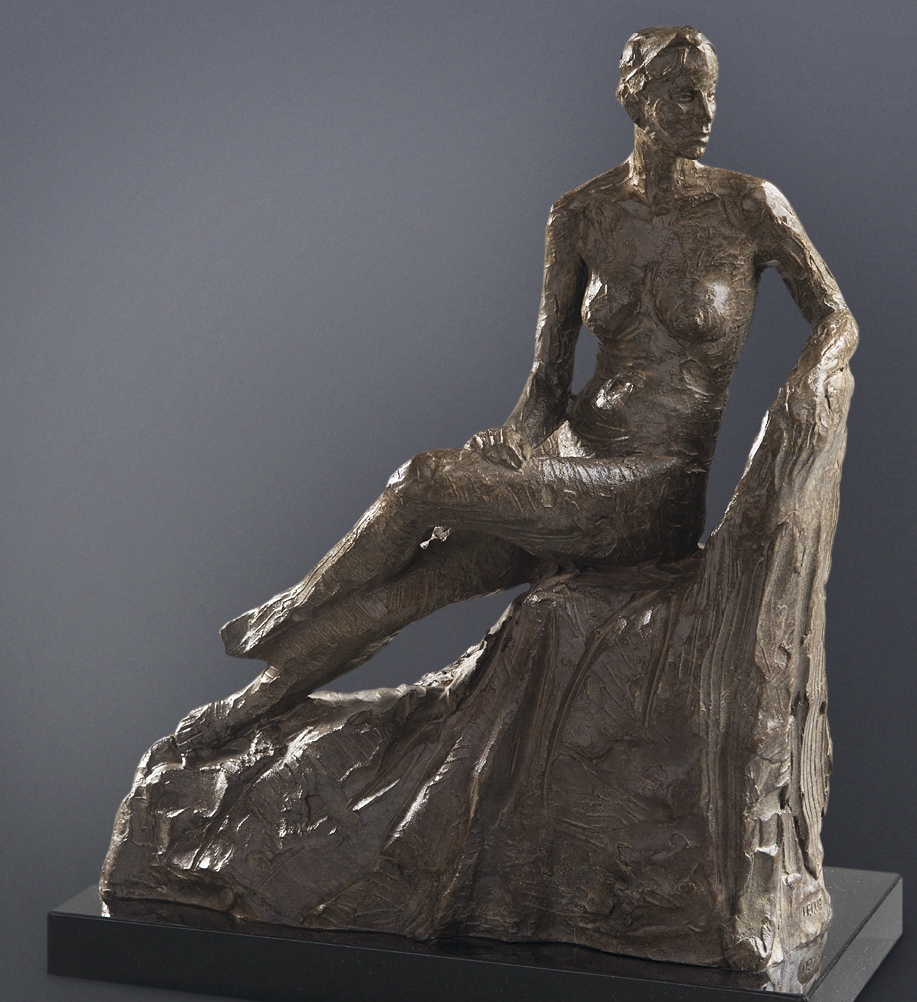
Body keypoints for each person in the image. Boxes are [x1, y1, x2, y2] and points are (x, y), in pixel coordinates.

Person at [175, 25, 857, 757]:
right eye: (685, 94)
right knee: (408, 591)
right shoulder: (583, 214)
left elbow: (836, 316)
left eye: (710, 93)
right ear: (638, 98)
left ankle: (292, 610)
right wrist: (515, 439)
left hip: (653, 486)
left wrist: (815, 375)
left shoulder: (747, 205)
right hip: (567, 460)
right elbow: (546, 387)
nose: (707, 110)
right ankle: (248, 708)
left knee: (423, 480)